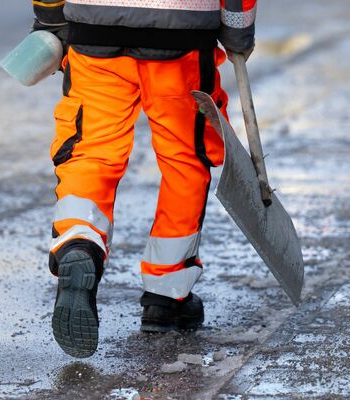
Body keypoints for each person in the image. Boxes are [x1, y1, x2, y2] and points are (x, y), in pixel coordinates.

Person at [31, 0, 257, 358]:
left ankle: (79, 241)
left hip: (95, 29)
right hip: (181, 34)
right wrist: (237, 28)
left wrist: (50, 18)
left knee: (91, 151)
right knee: (184, 158)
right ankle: (167, 295)